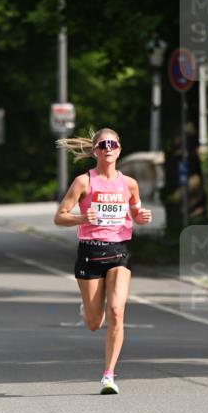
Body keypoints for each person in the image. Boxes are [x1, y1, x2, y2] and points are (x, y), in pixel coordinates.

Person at [53, 127, 152, 394]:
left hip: (119, 252)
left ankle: (108, 375)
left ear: (119, 149)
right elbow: (59, 216)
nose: (108, 148)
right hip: (90, 254)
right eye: (103, 144)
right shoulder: (84, 182)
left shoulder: (129, 183)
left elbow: (135, 211)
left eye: (113, 144)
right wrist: (82, 218)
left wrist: (141, 217)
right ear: (95, 150)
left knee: (117, 312)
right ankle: (87, 308)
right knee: (95, 323)